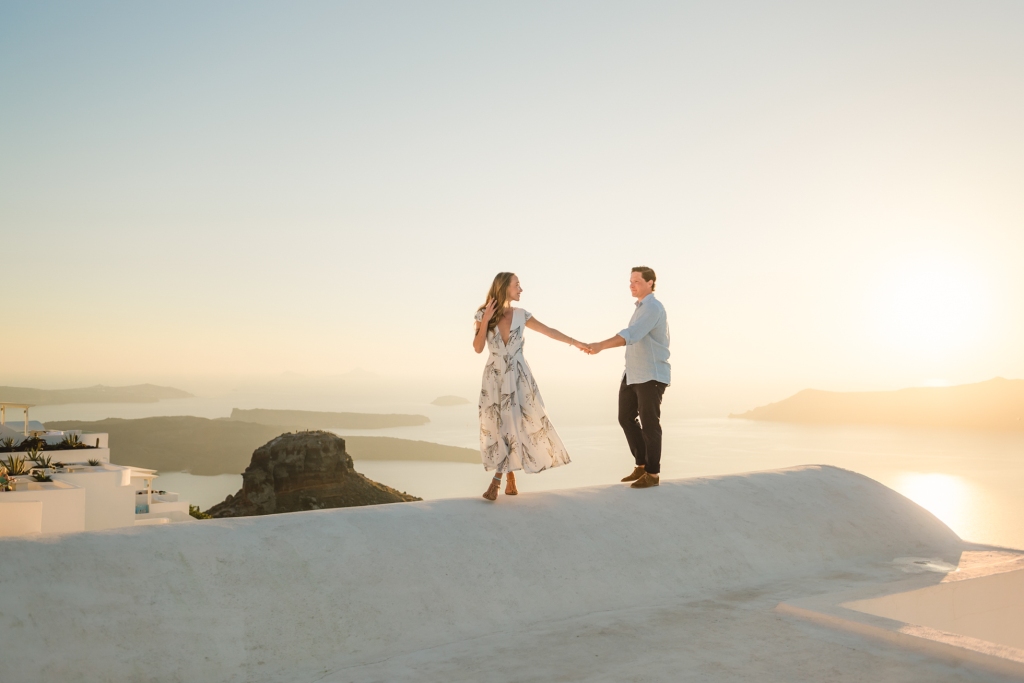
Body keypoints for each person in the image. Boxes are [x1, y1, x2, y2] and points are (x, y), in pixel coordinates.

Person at [473, 272, 585, 501]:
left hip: (518, 375)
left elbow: (549, 331)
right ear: (505, 287)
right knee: (499, 424)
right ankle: (510, 477)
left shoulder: (521, 315)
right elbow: (477, 347)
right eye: (517, 285)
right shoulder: (483, 314)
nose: (521, 289)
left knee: (514, 422)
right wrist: (485, 321)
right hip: (495, 378)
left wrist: (576, 343)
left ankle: (496, 481)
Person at [584, 266, 670, 489]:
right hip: (632, 373)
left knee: (650, 424)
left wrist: (601, 345)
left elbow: (631, 335)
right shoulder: (640, 308)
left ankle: (652, 474)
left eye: (637, 281)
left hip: (650, 374)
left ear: (650, 283)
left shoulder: (652, 307)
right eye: (630, 281)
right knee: (625, 418)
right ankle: (641, 465)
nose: (632, 285)